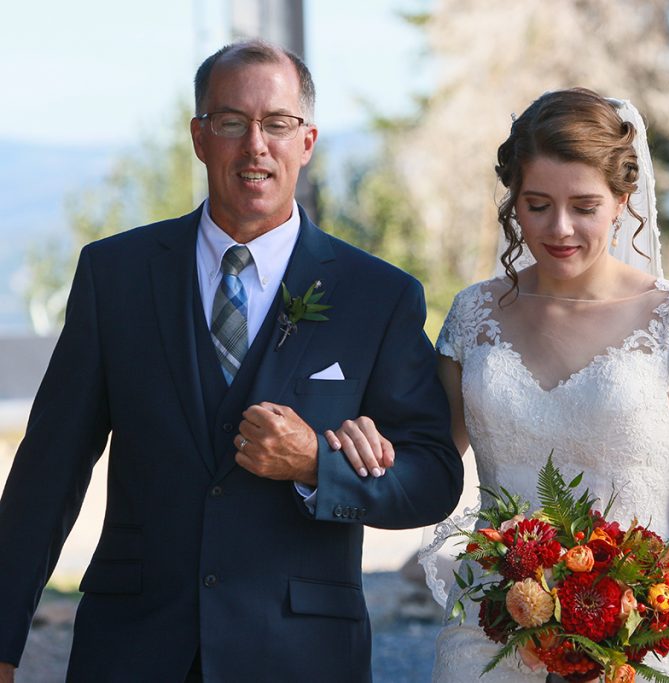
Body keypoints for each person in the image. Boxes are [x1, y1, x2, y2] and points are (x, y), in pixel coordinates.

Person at [0, 40, 462, 683]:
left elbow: (434, 477)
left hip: (300, 656)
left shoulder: (377, 296)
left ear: (308, 140)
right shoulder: (116, 275)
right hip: (132, 649)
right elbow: (48, 470)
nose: (255, 146)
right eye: (232, 122)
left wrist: (315, 465)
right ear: (199, 136)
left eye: (277, 124)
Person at [413, 88, 669, 681]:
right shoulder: (473, 316)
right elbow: (427, 458)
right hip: (489, 638)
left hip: (632, 649)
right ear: (513, 201)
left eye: (584, 205)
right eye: (537, 204)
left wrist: (633, 619)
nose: (560, 227)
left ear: (622, 200)